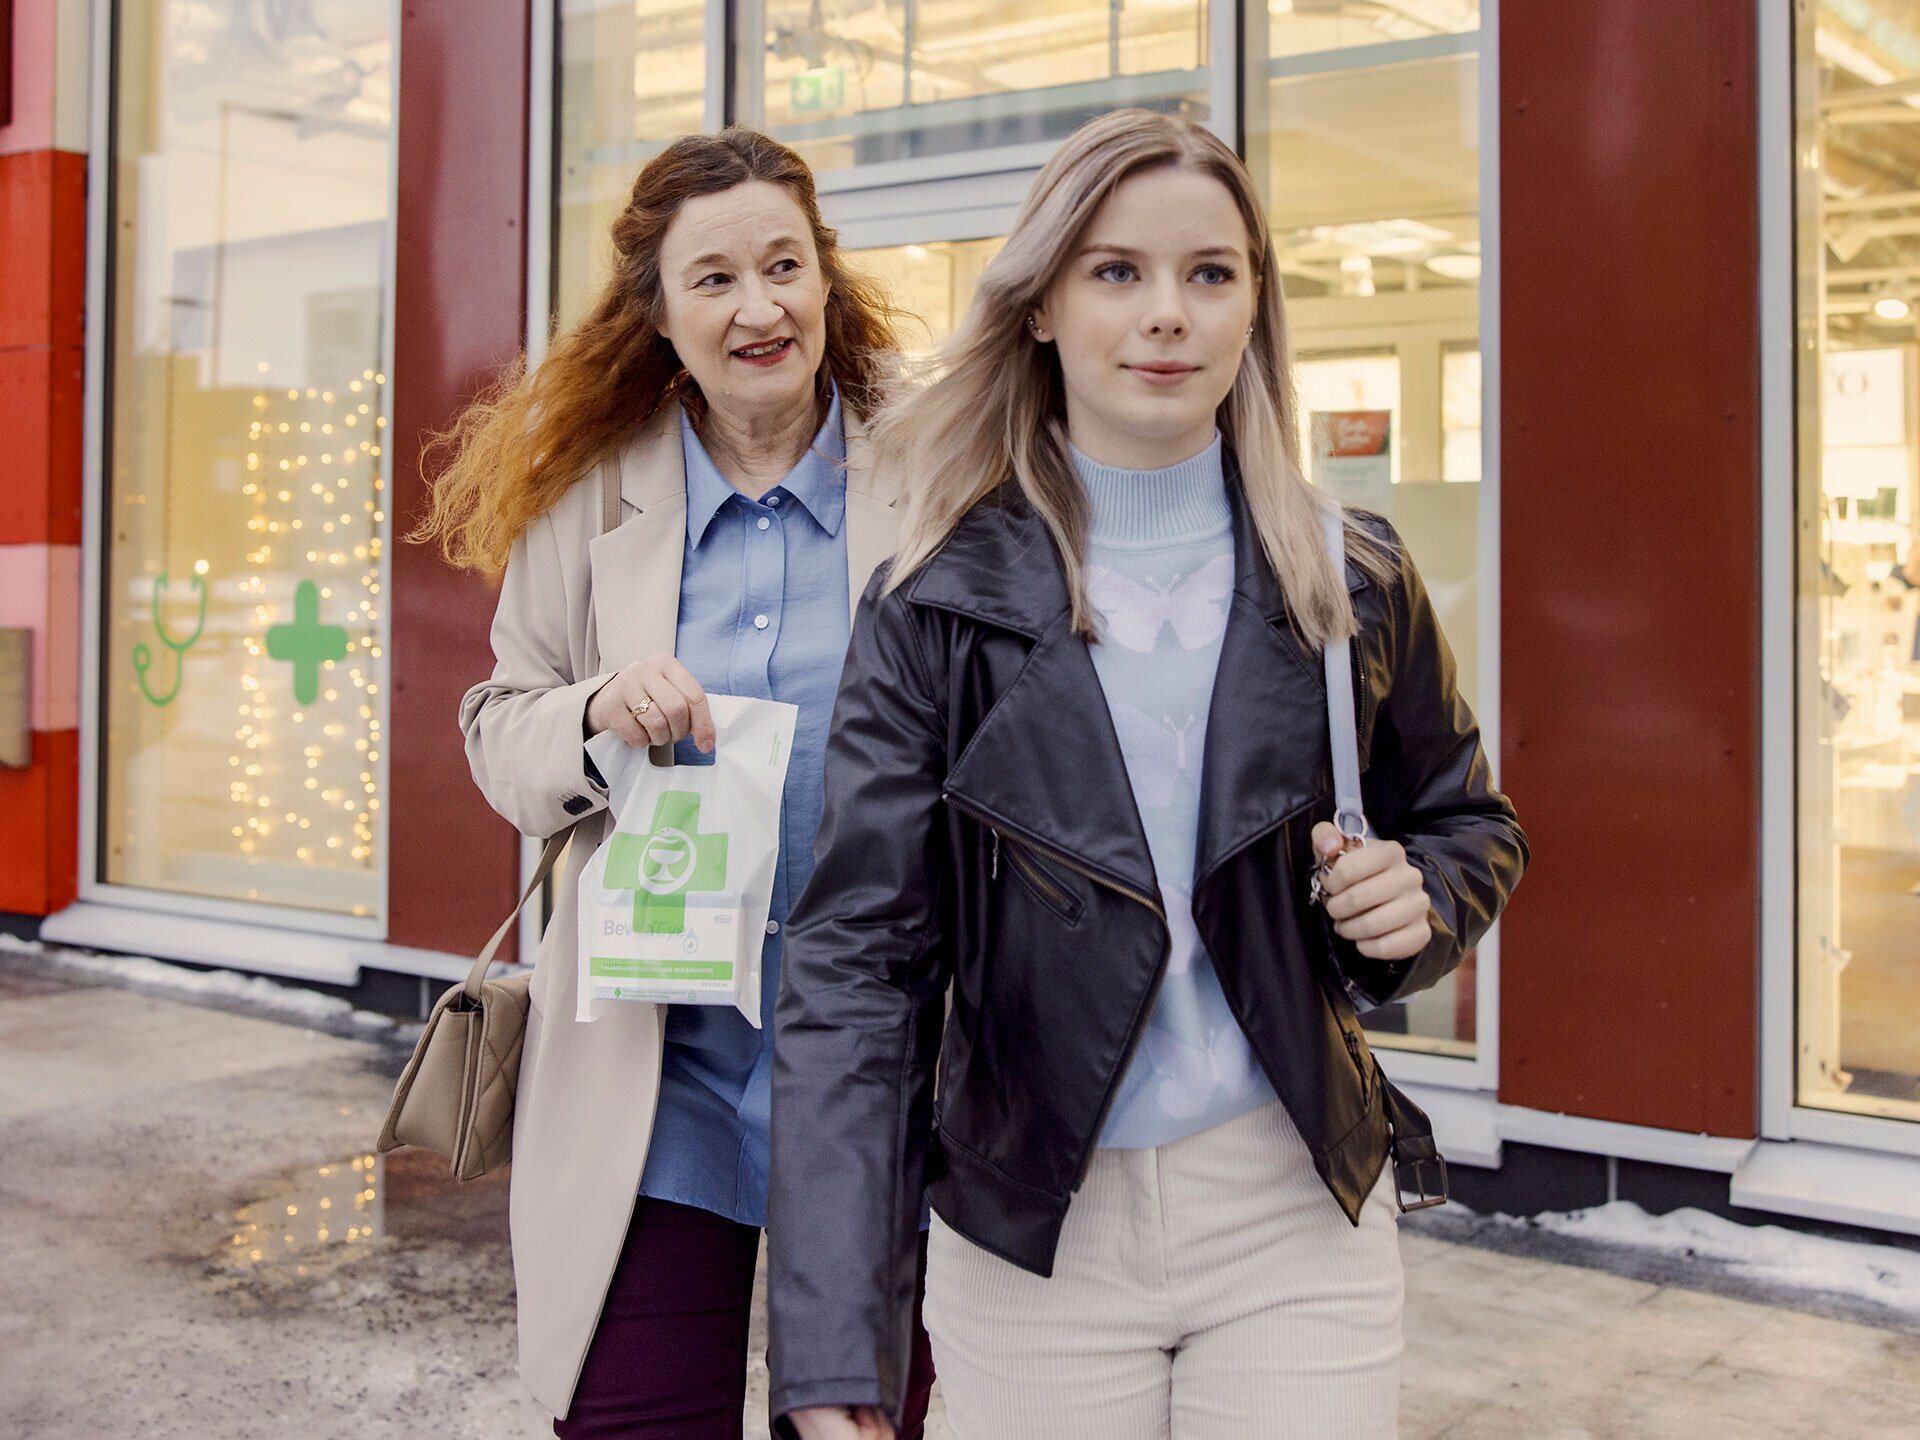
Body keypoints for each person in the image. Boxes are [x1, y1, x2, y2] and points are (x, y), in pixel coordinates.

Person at [767, 108, 1528, 1440]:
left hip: (1293, 1203)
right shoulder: (933, 605)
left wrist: (1424, 902)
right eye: (1117, 271)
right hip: (1033, 1224)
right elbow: (857, 975)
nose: (1166, 312)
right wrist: (834, 1351)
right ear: (1045, 305)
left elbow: (1467, 822)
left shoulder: (1351, 577)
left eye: (1209, 273)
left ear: (1253, 313)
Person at [420, 127, 937, 1440]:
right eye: (713, 279)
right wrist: (595, 713)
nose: (759, 306)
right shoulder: (587, 502)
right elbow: (498, 728)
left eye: (785, 264)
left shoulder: (939, 485)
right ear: (657, 314)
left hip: (889, 1077)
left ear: (827, 281)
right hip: (663, 1077)